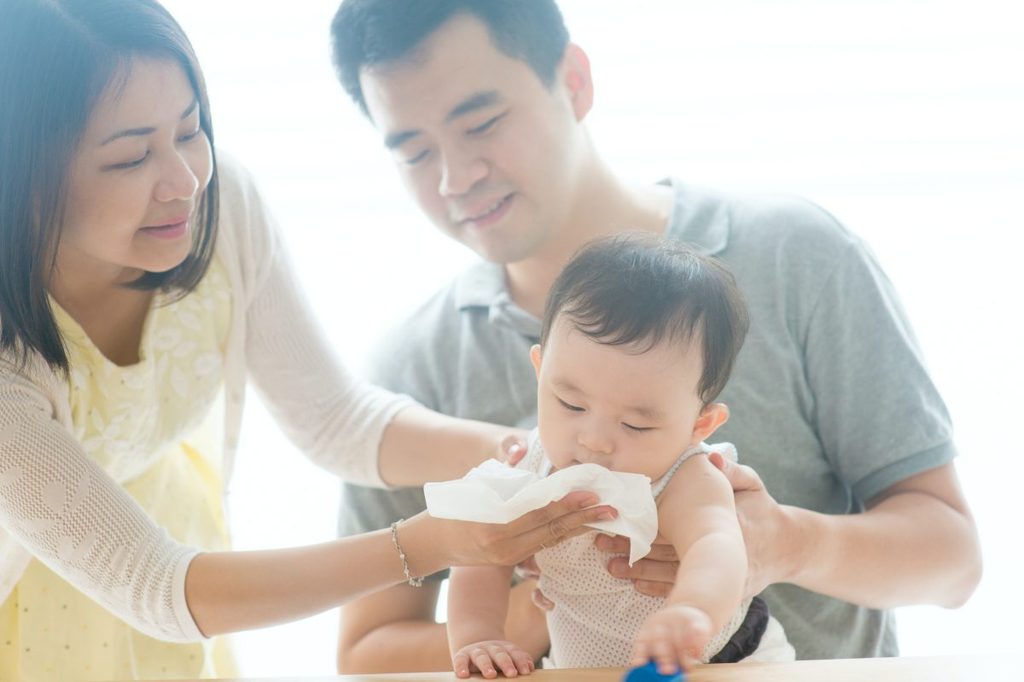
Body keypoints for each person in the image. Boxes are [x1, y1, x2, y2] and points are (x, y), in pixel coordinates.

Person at [330, 0, 982, 671]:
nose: (454, 177)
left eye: (483, 123)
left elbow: (953, 563)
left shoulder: (799, 257)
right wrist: (540, 599)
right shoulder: (412, 367)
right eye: (413, 152)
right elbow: (366, 656)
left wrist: (783, 545)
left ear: (575, 81)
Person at [0, 1, 618, 679]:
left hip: (168, 562)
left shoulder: (217, 205)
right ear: (23, 176)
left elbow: (334, 420)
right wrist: (427, 542)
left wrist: (527, 455)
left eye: (189, 130)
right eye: (128, 158)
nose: (184, 182)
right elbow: (155, 585)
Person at [446, 234, 795, 677]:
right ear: (540, 371)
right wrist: (479, 636)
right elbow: (478, 557)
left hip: (716, 662)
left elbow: (718, 544)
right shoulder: (528, 467)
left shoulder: (685, 475)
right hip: (579, 666)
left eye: (636, 425)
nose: (594, 441)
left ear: (698, 426)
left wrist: (693, 609)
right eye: (571, 404)